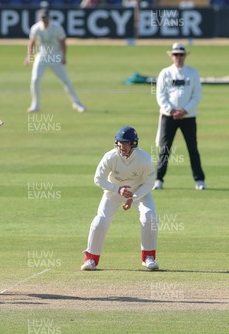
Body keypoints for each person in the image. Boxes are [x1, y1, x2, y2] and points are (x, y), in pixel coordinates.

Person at [81, 126, 159, 271]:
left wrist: (133, 197)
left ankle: (149, 257)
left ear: (133, 143)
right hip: (114, 192)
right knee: (100, 221)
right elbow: (98, 179)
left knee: (149, 217)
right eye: (120, 143)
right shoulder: (110, 157)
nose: (122, 146)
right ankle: (91, 258)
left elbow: (149, 183)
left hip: (139, 192)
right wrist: (118, 189)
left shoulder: (145, 159)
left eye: (126, 143)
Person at [154, 43, 206, 191]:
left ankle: (200, 180)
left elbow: (197, 96)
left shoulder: (193, 73)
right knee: (165, 148)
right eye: (175, 55)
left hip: (188, 116)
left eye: (181, 55)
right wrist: (171, 110)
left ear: (185, 56)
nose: (178, 57)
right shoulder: (165, 73)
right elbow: (160, 95)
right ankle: (158, 179)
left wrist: (184, 110)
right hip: (168, 116)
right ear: (171, 56)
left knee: (192, 148)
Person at [24, 9, 86, 113]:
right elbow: (32, 42)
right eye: (43, 18)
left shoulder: (56, 27)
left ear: (49, 18)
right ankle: (35, 105)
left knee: (66, 80)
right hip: (42, 56)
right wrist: (29, 56)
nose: (44, 20)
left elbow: (63, 42)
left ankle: (77, 103)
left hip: (55, 57)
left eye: (46, 18)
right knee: (35, 79)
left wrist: (64, 57)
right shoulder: (36, 28)